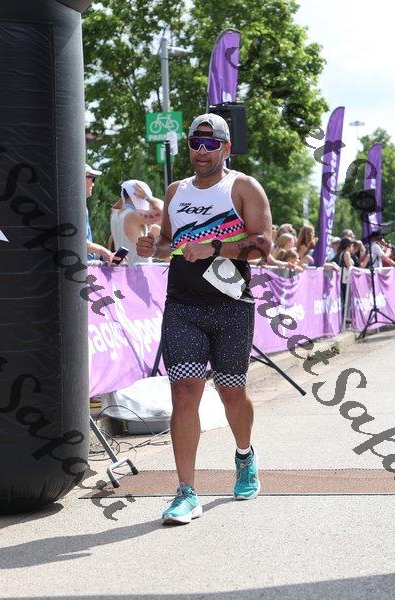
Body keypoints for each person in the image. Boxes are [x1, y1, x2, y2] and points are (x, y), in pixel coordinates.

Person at [137, 113, 272, 525]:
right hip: (183, 306)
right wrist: (151, 246)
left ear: (226, 148)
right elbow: (167, 243)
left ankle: (244, 456)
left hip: (231, 306)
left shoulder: (244, 187)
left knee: (232, 394)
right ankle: (186, 492)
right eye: (196, 142)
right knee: (184, 394)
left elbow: (263, 246)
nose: (201, 150)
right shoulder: (175, 191)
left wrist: (215, 247)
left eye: (211, 144)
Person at [110, 180, 163, 266]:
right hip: (138, 270)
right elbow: (163, 211)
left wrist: (125, 192)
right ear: (138, 196)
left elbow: (115, 206)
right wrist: (148, 197)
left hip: (123, 269)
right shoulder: (134, 216)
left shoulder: (115, 214)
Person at [85, 164, 115, 265]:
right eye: (92, 178)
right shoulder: (74, 206)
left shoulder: (81, 206)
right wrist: (104, 252)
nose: (93, 184)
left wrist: (105, 255)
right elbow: (79, 242)